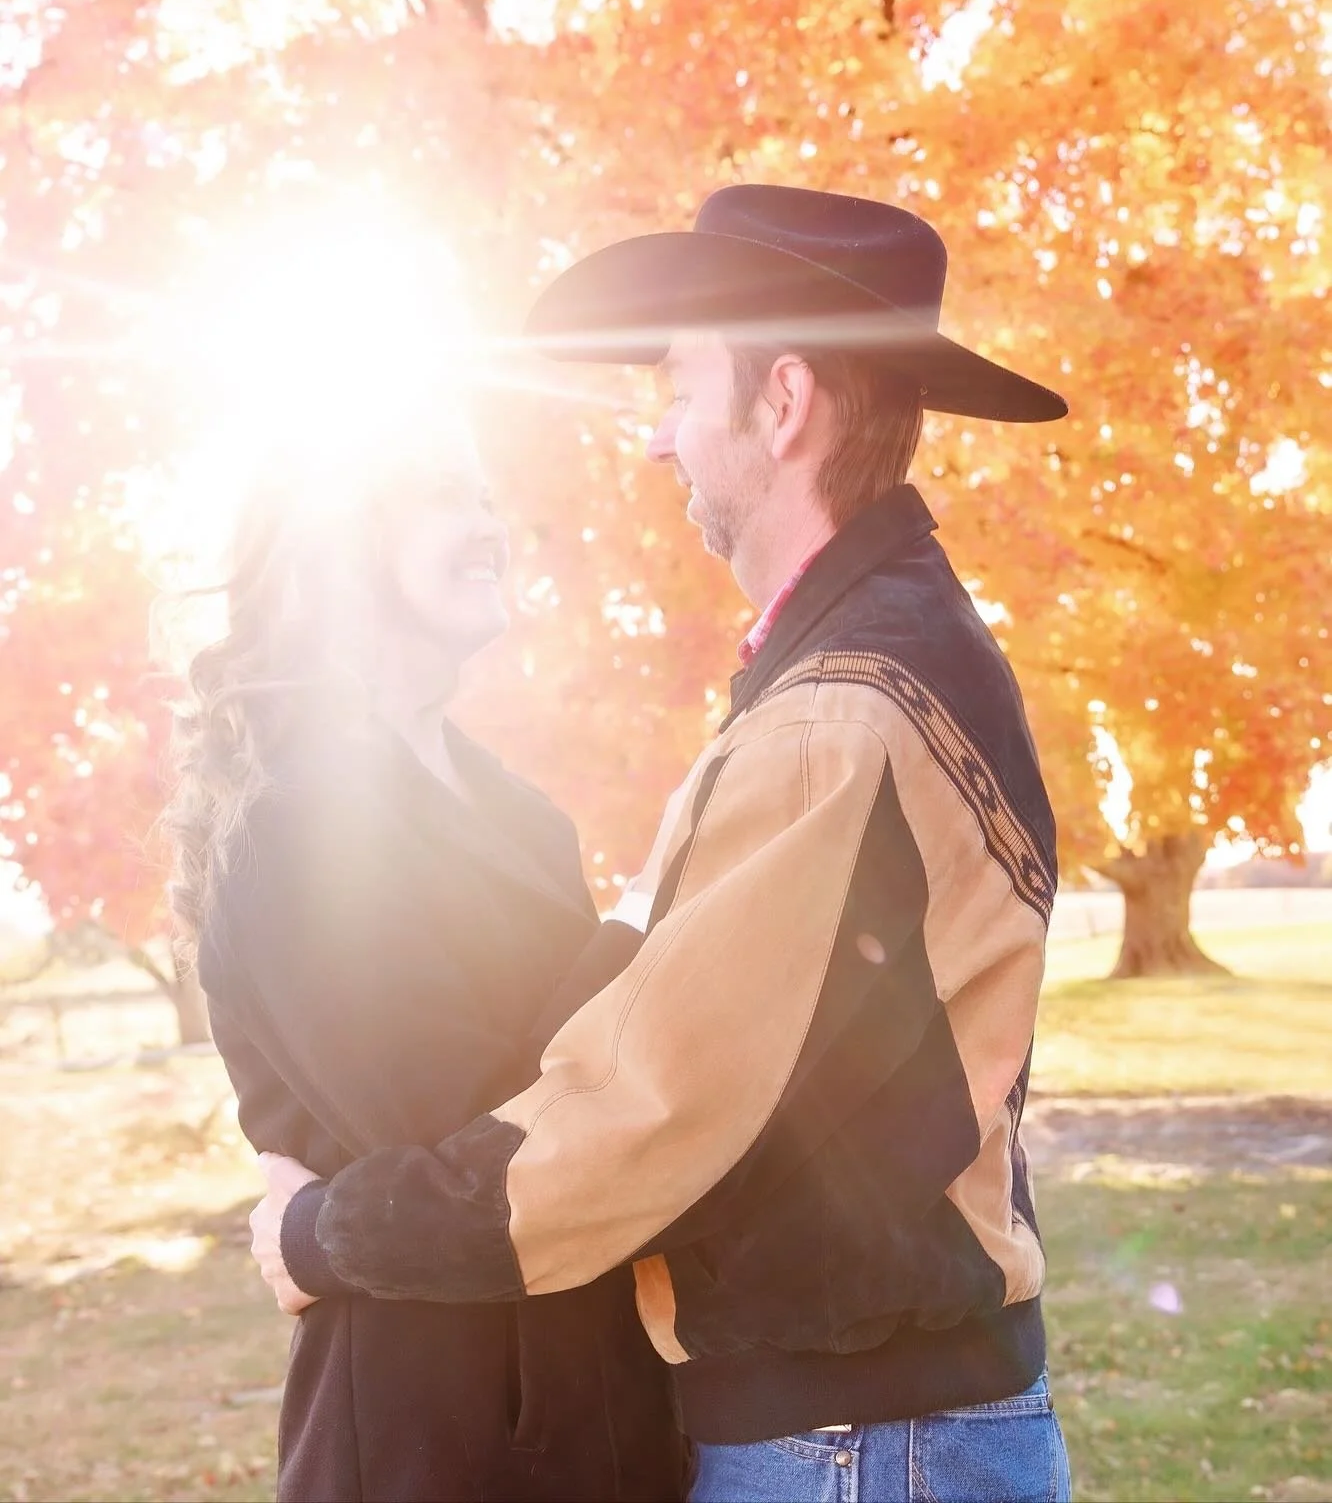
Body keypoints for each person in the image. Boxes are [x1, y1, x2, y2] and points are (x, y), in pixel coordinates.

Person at [248, 186, 1075, 1503]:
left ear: (783, 401)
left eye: (682, 388)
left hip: (855, 1441)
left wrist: (318, 1231)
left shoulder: (837, 715)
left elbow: (639, 1115)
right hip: (885, 1423)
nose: (657, 438)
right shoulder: (873, 662)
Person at [162, 423, 681, 1502]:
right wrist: (644, 922)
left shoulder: (525, 817)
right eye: (444, 498)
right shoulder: (293, 833)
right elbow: (469, 1133)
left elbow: (606, 1110)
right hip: (432, 1439)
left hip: (612, 1409)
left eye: (485, 499)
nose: (488, 526)